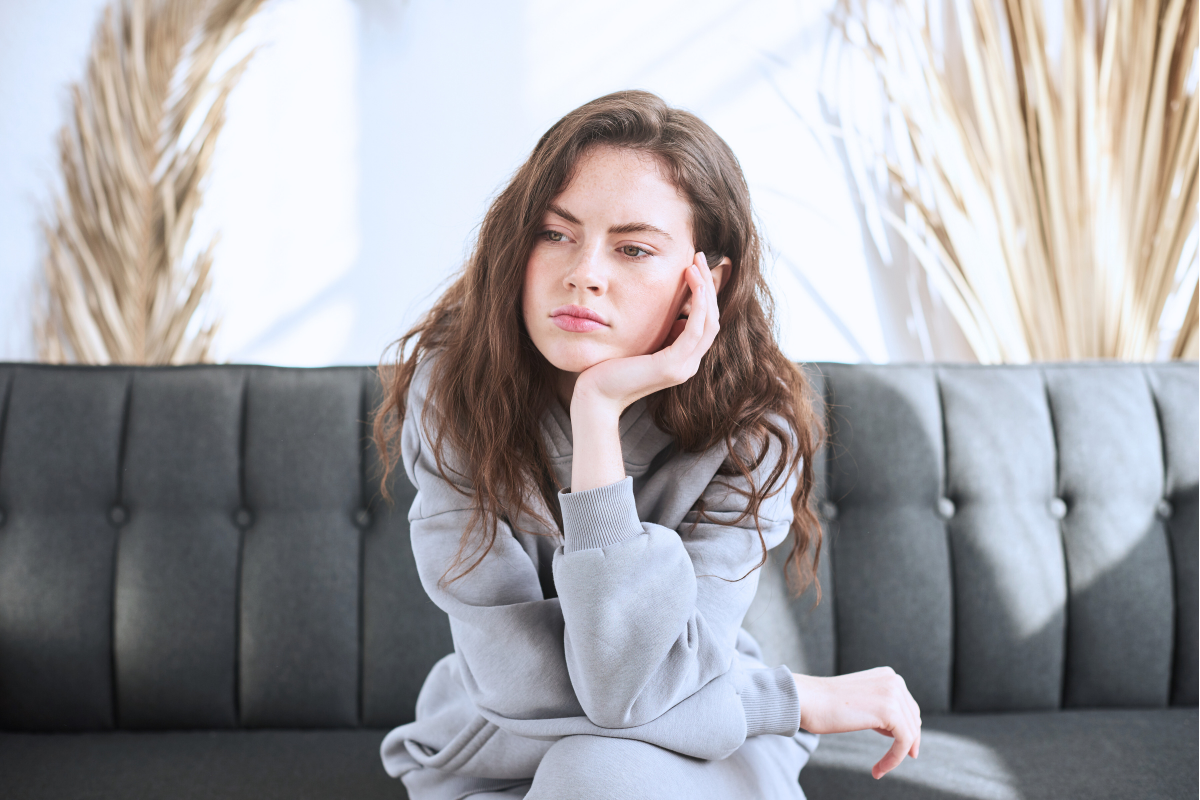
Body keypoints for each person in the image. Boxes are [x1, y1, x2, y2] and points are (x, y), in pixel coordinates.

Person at [371, 90, 921, 800]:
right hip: (503, 746)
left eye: (633, 249)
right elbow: (525, 685)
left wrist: (596, 411)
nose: (584, 272)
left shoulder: (754, 428)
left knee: (592, 773)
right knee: (588, 773)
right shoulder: (454, 391)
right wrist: (787, 701)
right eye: (554, 233)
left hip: (695, 758)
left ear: (705, 282)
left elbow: (628, 690)